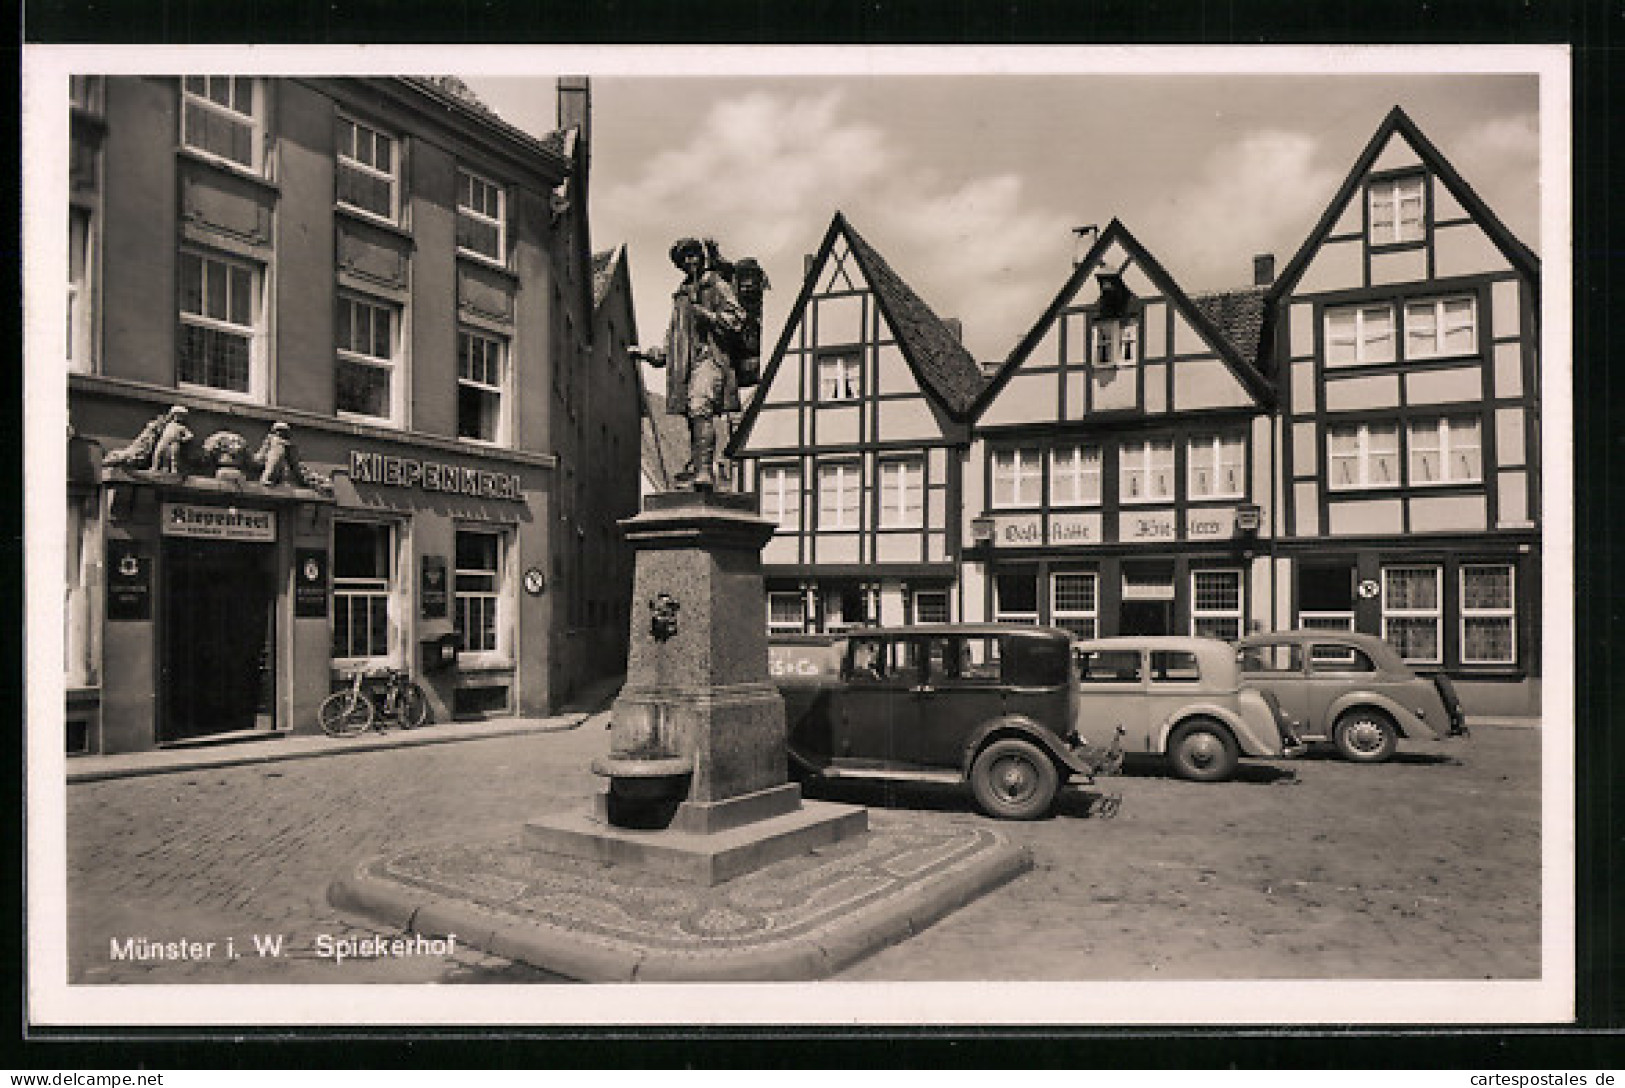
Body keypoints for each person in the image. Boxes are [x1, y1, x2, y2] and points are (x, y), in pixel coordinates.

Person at [638, 237, 747, 491]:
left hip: (710, 357)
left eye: (694, 254)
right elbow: (674, 335)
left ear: (702, 256)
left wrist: (708, 316)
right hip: (685, 363)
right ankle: (696, 467)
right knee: (691, 416)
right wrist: (652, 354)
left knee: (700, 407)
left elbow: (737, 319)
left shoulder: (716, 284)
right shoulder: (681, 295)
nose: (690, 261)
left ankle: (705, 472)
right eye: (684, 257)